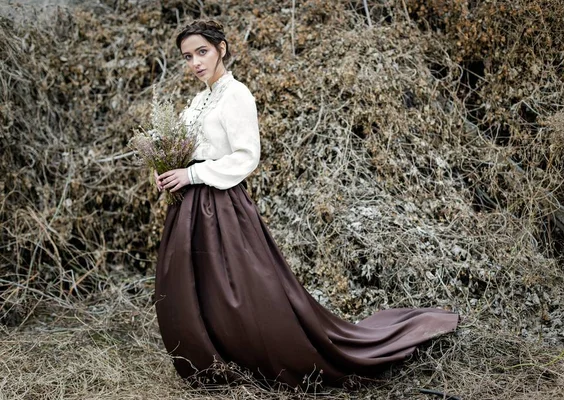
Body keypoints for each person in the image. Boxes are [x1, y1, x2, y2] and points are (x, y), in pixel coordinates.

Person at [153, 19, 459, 389]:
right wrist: (169, 170)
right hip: (189, 208)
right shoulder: (199, 99)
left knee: (241, 290)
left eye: (202, 52)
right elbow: (190, 149)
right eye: (188, 56)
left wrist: (194, 175)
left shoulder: (237, 95)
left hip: (221, 206)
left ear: (221, 48)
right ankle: (213, 359)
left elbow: (247, 156)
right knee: (197, 288)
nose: (196, 62)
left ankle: (261, 355)